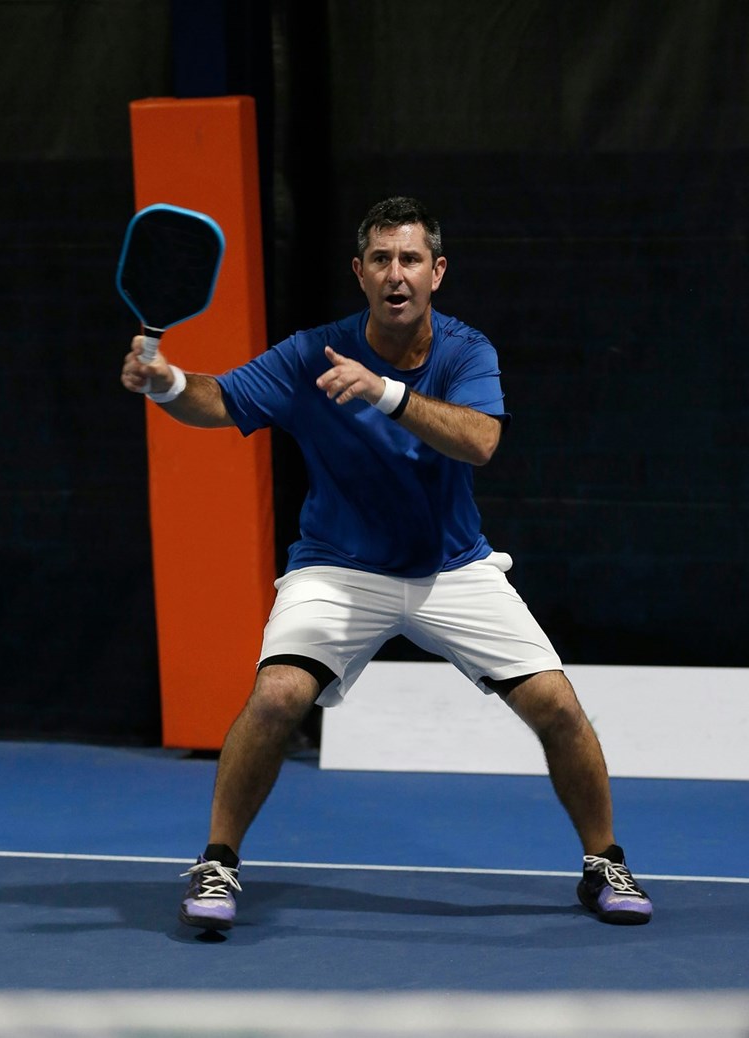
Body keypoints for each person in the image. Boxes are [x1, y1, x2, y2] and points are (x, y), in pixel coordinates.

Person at [121, 195, 653, 931]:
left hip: (451, 569)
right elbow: (219, 401)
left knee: (558, 706)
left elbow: (480, 441)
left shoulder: (468, 352)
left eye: (409, 260)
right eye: (380, 259)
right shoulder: (312, 353)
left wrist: (387, 393)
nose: (395, 275)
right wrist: (169, 384)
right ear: (360, 273)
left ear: (437, 272)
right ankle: (217, 861)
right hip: (339, 568)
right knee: (276, 696)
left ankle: (604, 862)